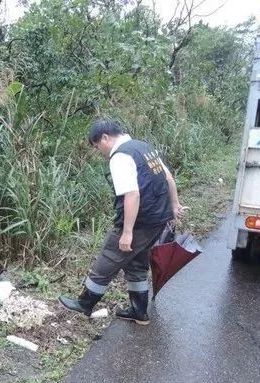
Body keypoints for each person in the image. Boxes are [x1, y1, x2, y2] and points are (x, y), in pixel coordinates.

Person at [59, 119, 185, 325]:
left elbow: (132, 195)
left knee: (109, 256)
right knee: (136, 262)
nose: (99, 151)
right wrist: (174, 205)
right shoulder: (144, 147)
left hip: (140, 221)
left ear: (105, 138)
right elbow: (169, 177)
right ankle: (139, 311)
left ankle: (85, 303)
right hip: (158, 219)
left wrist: (127, 232)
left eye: (97, 145)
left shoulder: (121, 156)